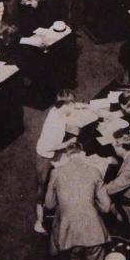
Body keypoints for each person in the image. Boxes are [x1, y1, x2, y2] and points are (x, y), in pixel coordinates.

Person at [43, 141, 112, 260]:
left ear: (67, 156)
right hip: (93, 232)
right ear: (83, 154)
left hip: (68, 232)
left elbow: (50, 204)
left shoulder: (56, 173)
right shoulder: (94, 171)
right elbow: (106, 207)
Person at [33, 89, 78, 233]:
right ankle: (40, 221)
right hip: (45, 155)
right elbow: (51, 146)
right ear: (65, 105)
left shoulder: (57, 111)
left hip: (51, 151)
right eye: (72, 105)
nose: (74, 107)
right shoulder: (53, 125)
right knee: (43, 187)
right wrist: (68, 143)